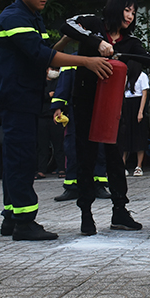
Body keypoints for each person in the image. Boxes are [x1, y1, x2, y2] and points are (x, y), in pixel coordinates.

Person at [0, 0, 113, 241]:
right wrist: (88, 60)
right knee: (22, 159)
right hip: (16, 98)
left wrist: (67, 39)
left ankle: (11, 217)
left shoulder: (31, 17)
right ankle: (24, 222)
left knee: (15, 158)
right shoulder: (14, 18)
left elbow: (45, 51)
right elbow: (41, 57)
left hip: (22, 98)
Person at [58, 0, 150, 235]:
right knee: (86, 156)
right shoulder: (94, 25)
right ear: (116, 9)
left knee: (115, 155)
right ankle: (86, 213)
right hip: (85, 101)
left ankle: (120, 211)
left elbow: (147, 57)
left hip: (111, 105)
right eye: (127, 10)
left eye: (134, 12)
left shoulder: (129, 41)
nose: (130, 16)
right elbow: (68, 24)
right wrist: (96, 43)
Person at [50, 65, 111, 202]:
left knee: (99, 147)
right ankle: (72, 186)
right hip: (75, 108)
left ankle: (98, 184)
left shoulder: (102, 60)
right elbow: (64, 83)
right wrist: (58, 107)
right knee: (72, 148)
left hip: (98, 107)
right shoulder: (71, 61)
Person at [118, 62, 150, 176]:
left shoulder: (142, 76)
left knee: (139, 137)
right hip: (127, 104)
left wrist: (140, 111)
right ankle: (122, 165)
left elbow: (144, 94)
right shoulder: (125, 77)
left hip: (137, 104)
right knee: (125, 137)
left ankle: (139, 166)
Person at [36, 67, 64, 179]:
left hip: (56, 117)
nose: (54, 71)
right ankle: (41, 170)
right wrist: (49, 95)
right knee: (42, 145)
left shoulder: (59, 81)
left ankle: (62, 168)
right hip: (42, 116)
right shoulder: (40, 82)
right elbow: (38, 96)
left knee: (59, 144)